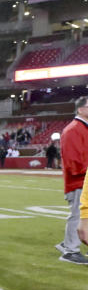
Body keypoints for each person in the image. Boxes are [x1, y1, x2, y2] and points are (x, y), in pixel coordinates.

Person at [57, 96, 88, 265]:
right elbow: (73, 160)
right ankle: (70, 250)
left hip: (83, 180)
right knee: (78, 214)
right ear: (80, 109)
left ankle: (68, 244)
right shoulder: (74, 129)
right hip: (78, 181)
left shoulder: (81, 128)